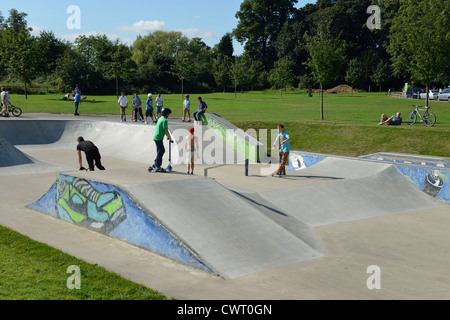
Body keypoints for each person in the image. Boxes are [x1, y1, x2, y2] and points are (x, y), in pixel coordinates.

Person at [151, 108, 173, 172]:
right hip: (158, 138)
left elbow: (163, 129)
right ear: (166, 114)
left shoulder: (160, 118)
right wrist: (170, 138)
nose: (169, 115)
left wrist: (167, 136)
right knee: (160, 151)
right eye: (168, 114)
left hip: (156, 136)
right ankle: (158, 166)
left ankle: (155, 163)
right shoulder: (165, 120)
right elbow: (166, 130)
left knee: (161, 151)